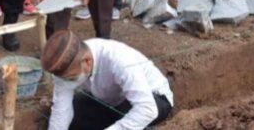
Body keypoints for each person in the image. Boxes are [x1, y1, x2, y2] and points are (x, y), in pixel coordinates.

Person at [42, 30, 173, 130]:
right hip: (111, 101)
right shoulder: (65, 70)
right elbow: (61, 111)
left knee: (130, 117)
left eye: (72, 78)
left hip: (154, 99)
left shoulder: (117, 59)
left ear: (87, 61)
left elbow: (147, 109)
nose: (69, 82)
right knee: (72, 115)